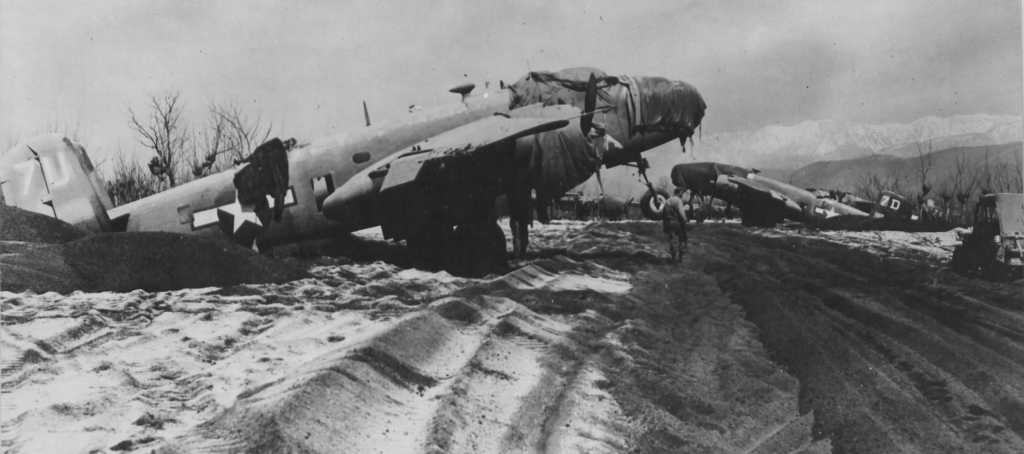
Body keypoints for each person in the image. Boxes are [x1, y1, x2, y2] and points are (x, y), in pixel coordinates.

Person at [657, 189, 689, 263]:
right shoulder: (678, 200)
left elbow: (661, 212)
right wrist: (685, 221)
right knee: (683, 238)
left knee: (672, 240)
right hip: (677, 222)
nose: (682, 194)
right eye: (681, 192)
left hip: (668, 223)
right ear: (677, 193)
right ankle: (680, 257)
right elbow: (681, 212)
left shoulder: (667, 201)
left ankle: (673, 258)